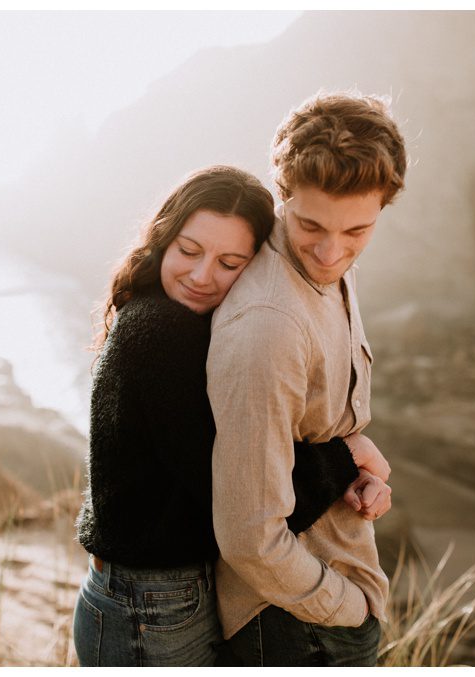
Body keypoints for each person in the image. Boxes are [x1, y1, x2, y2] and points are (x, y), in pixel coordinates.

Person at [71, 165, 390, 666]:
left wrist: (342, 471)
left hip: (162, 597)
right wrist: (346, 456)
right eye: (189, 251)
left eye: (230, 262)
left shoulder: (181, 322)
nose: (202, 277)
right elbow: (230, 491)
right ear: (163, 239)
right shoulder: (160, 334)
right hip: (148, 608)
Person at [208, 91, 408, 666]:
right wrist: (349, 607)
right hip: (293, 623)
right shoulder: (267, 326)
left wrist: (346, 460)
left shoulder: (327, 268)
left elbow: (303, 434)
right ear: (282, 194)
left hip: (322, 594)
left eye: (357, 231)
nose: (330, 251)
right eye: (310, 224)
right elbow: (249, 535)